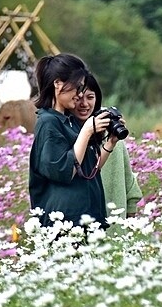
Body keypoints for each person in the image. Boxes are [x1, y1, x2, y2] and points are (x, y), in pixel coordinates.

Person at [28, 53, 116, 229]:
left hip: (86, 218)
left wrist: (110, 142)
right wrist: (87, 130)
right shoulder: (48, 122)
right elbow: (63, 170)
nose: (80, 94)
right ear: (58, 84)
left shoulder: (68, 121)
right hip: (66, 224)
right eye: (78, 87)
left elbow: (91, 169)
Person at [70, 73, 142, 228]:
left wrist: (131, 216)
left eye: (90, 97)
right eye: (78, 98)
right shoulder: (64, 132)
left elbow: (128, 180)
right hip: (81, 225)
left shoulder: (111, 134)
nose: (84, 104)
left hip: (114, 221)